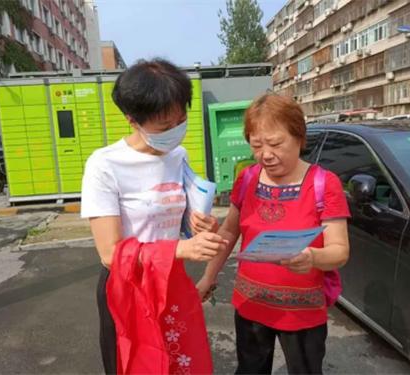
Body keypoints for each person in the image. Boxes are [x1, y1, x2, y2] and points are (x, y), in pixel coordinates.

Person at [81, 58, 226, 374]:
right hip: (129, 287)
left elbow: (179, 218)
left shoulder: (179, 156)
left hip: (172, 280)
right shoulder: (104, 165)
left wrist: (199, 226)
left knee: (183, 361)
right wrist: (179, 249)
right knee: (138, 364)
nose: (175, 131)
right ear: (133, 120)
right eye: (164, 126)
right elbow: (109, 253)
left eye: (181, 119)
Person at [194, 94, 350, 374]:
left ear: (299, 137)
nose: (266, 154)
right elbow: (229, 231)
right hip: (251, 306)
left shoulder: (324, 184)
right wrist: (208, 276)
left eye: (276, 143)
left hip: (302, 314)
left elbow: (339, 251)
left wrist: (312, 257)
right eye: (257, 145)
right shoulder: (248, 178)